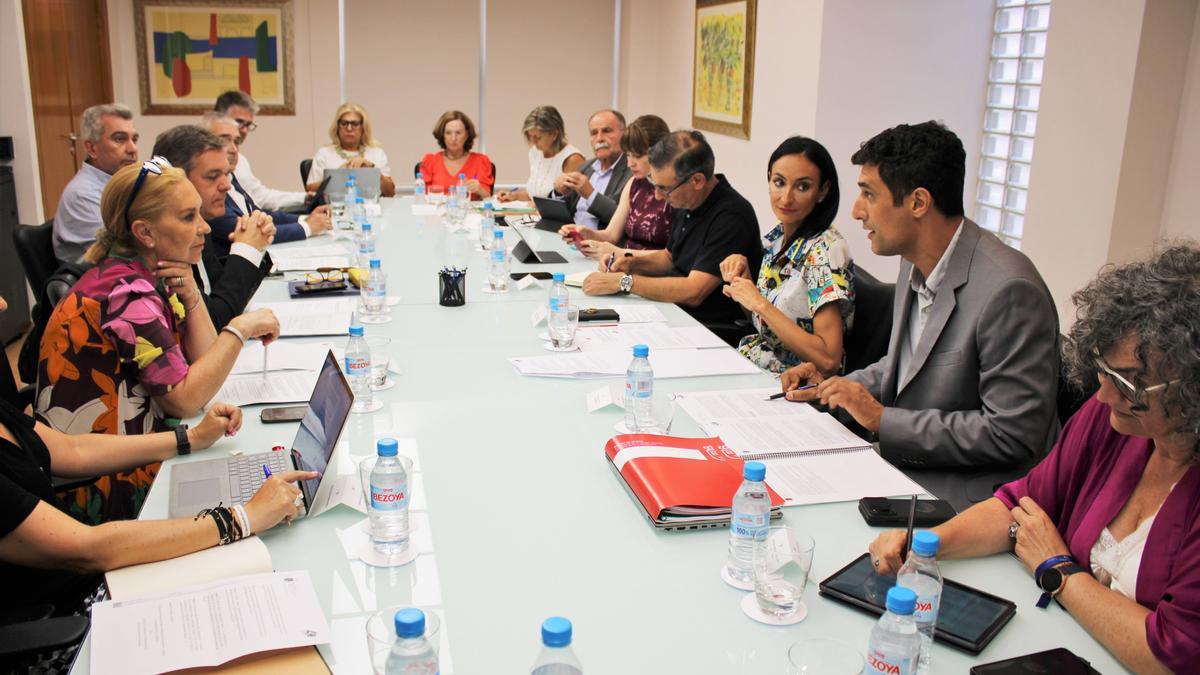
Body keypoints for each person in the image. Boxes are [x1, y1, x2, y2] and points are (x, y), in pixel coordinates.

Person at [869, 244, 1200, 674]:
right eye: (1104, 370)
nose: (1103, 395)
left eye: (1129, 383)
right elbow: (1020, 504)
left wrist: (1058, 571)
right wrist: (927, 549)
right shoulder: (1113, 423)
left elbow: (1172, 656)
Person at [780, 121, 1059, 510]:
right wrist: (832, 389)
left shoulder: (1009, 291)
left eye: (868, 194)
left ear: (918, 202)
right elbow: (904, 368)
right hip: (905, 464)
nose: (857, 212)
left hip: (968, 495)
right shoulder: (913, 261)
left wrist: (883, 420)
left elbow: (1011, 434)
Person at [0, 289, 311, 612]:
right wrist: (244, 517)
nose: (4, 303)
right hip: (68, 617)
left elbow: (71, 449)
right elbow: (86, 549)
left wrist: (190, 438)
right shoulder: (126, 295)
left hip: (94, 578)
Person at [35, 160, 280, 523]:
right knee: (265, 503)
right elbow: (185, 399)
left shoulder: (148, 273)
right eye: (187, 217)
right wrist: (240, 329)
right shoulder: (127, 294)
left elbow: (203, 363)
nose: (205, 228)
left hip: (135, 453)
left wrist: (193, 293)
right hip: (105, 490)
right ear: (145, 233)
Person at [581, 129, 761, 345]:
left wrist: (624, 282)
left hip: (711, 330)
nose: (658, 196)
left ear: (697, 180)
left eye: (664, 188)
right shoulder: (685, 199)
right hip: (674, 313)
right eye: (654, 184)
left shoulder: (731, 215)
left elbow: (694, 291)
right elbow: (670, 258)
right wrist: (630, 263)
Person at [720, 136, 853, 375]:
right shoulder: (779, 236)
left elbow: (829, 359)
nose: (786, 197)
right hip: (756, 363)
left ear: (823, 191)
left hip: (795, 383)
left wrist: (759, 303)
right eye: (779, 182)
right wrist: (744, 284)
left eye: (802, 187)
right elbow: (766, 325)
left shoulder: (827, 250)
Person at [152, 125, 276, 330]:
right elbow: (216, 321)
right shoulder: (167, 241)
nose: (226, 185)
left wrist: (255, 243)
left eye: (226, 174)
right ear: (174, 180)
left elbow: (219, 291)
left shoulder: (201, 224)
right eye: (212, 176)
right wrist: (246, 250)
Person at [200, 112, 332, 258]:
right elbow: (248, 232)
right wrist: (308, 227)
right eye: (223, 141)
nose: (234, 149)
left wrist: (305, 218)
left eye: (237, 142)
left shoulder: (232, 177)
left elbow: (260, 214)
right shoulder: (209, 191)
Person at [558, 114, 673, 255]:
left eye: (637, 156)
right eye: (628, 155)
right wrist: (586, 233)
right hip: (625, 267)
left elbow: (670, 258)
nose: (630, 163)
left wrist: (619, 253)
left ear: (659, 153)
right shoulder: (634, 184)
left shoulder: (675, 191)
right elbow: (611, 235)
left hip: (643, 274)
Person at [53, 103, 140, 263]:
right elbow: (118, 254)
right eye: (120, 139)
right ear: (92, 148)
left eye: (134, 139)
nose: (132, 148)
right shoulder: (82, 195)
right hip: (102, 281)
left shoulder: (124, 184)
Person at [215, 89, 309, 211]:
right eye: (239, 122)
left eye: (248, 125)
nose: (244, 130)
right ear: (219, 118)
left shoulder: (240, 160)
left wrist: (304, 198)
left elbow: (259, 197)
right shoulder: (204, 160)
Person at [554, 109, 631, 231]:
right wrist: (559, 192)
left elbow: (626, 221)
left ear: (625, 134)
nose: (599, 138)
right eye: (594, 133)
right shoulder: (586, 167)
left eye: (607, 131)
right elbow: (564, 210)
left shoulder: (632, 171)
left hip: (599, 244)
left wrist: (590, 194)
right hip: (568, 239)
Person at [496, 105, 585, 202]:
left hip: (554, 216)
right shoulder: (535, 152)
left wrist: (542, 207)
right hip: (536, 215)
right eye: (530, 136)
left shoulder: (572, 159)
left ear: (554, 134)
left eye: (538, 137)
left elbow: (570, 204)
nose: (533, 141)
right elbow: (536, 193)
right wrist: (514, 196)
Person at [306, 102, 395, 197]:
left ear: (363, 127)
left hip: (371, 209)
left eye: (355, 124)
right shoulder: (324, 153)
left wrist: (372, 171)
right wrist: (339, 174)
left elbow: (390, 192)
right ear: (337, 127)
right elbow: (310, 189)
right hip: (335, 209)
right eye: (344, 123)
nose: (349, 128)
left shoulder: (377, 153)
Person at [418, 110, 494, 199]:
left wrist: (479, 189)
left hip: (469, 211)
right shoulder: (430, 161)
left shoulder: (481, 161)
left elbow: (487, 197)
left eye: (458, 133)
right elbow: (422, 197)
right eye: (448, 133)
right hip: (437, 212)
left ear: (466, 135)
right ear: (442, 135)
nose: (453, 138)